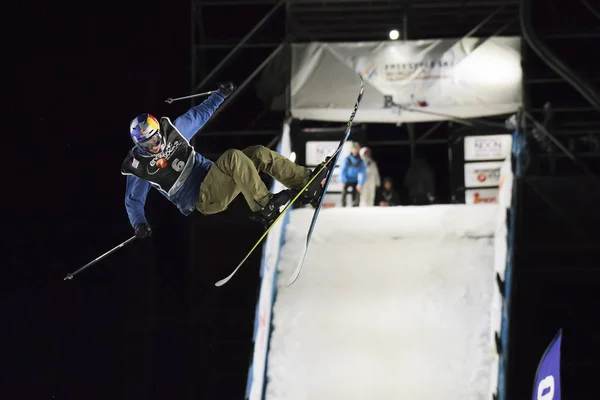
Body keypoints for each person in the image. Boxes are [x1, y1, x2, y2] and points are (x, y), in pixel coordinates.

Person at [121, 82, 328, 237]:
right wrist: (139, 223)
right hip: (202, 199)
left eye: (155, 138)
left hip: (218, 178)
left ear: (159, 131)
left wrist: (221, 94)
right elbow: (133, 200)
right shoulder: (140, 166)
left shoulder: (175, 130)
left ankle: (305, 182)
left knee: (257, 153)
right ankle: (265, 205)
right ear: (139, 145)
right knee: (233, 158)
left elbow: (199, 114)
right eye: (147, 145)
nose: (154, 146)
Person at [339, 142, 366, 207]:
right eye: (355, 148)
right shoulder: (347, 159)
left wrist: (360, 183)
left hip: (355, 180)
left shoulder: (360, 160)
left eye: (357, 148)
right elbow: (342, 170)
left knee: (357, 193)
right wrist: (342, 181)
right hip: (346, 180)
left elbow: (363, 172)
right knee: (344, 193)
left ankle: (355, 206)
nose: (356, 149)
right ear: (352, 149)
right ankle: (343, 206)